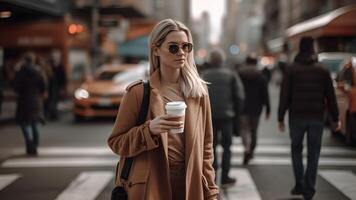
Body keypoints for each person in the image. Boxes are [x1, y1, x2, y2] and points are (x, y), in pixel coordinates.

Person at [108, 19, 218, 200]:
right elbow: (117, 142)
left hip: (190, 185)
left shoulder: (199, 92)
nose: (181, 52)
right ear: (156, 50)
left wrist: (211, 191)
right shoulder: (138, 92)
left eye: (186, 46)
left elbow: (206, 148)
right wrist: (149, 129)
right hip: (151, 186)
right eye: (173, 47)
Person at [278, 37, 340, 200]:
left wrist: (280, 117)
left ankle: (299, 183)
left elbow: (284, 95)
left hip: (296, 117)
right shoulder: (322, 70)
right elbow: (330, 96)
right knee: (314, 153)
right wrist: (336, 118)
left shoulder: (291, 69)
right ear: (313, 48)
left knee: (296, 150)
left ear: (300, 48)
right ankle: (309, 188)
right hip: (316, 117)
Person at [202, 48, 244, 188]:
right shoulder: (231, 75)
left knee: (210, 148)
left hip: (209, 117)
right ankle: (225, 177)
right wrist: (236, 112)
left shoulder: (204, 76)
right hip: (227, 116)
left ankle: (212, 177)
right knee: (227, 147)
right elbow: (239, 96)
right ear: (222, 61)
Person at [238, 55, 270, 165]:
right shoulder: (261, 76)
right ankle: (251, 151)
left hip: (242, 107)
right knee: (254, 131)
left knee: (244, 130)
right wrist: (268, 109)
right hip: (257, 107)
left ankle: (246, 148)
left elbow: (236, 91)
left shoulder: (240, 75)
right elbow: (265, 94)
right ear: (256, 63)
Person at [13, 52, 46, 155]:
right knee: (34, 124)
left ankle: (29, 142)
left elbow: (15, 87)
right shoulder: (39, 71)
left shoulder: (20, 72)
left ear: (25, 60)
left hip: (23, 101)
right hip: (35, 101)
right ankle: (35, 145)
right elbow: (43, 86)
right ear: (33, 60)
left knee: (24, 124)